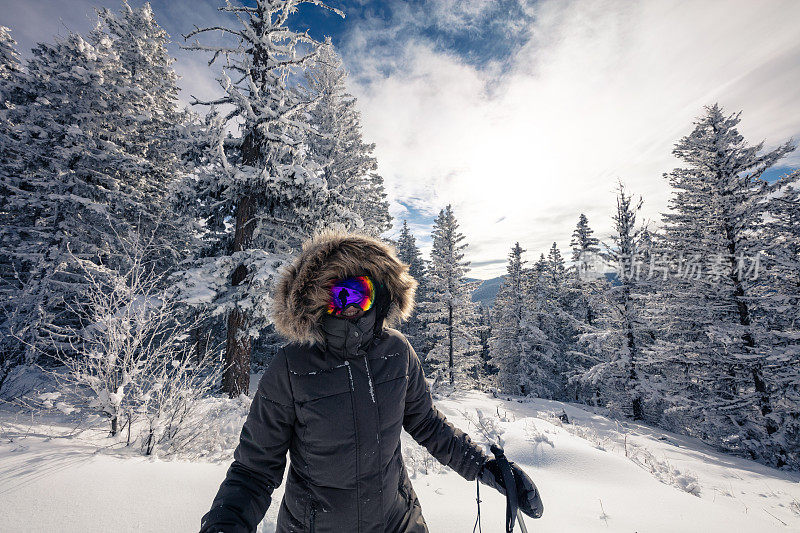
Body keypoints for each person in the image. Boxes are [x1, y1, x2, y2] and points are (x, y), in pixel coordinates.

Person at [200, 229, 543, 533]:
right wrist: (225, 522)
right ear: (318, 299)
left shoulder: (397, 352)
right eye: (338, 295)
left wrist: (485, 466)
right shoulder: (292, 367)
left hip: (398, 521)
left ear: (378, 294)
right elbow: (255, 469)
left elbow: (428, 424)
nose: (350, 306)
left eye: (359, 293)